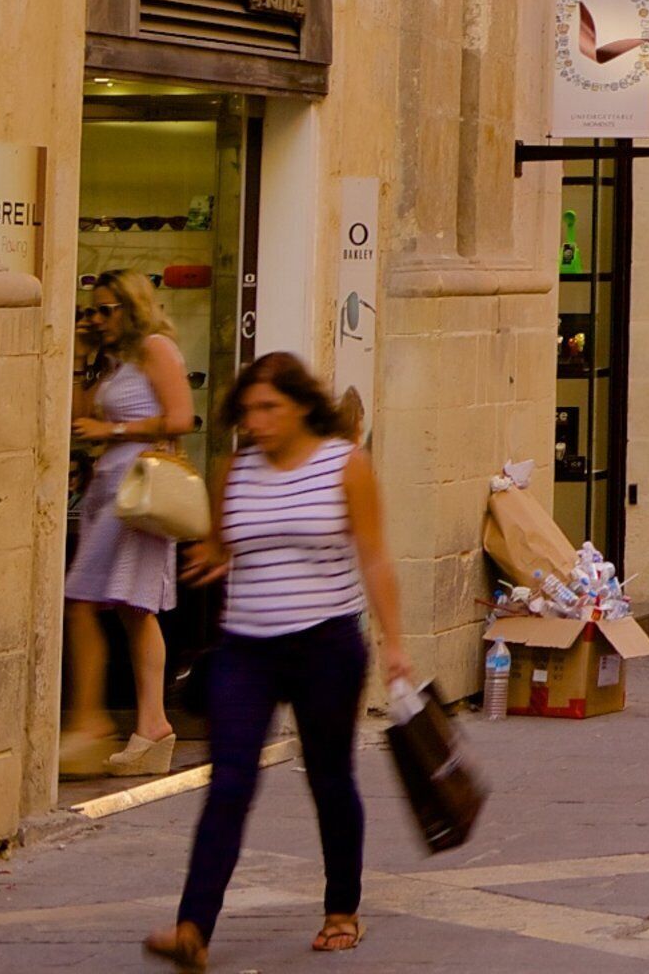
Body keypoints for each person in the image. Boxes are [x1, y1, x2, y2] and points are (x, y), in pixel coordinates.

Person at [146, 354, 408, 969]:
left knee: (329, 778)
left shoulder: (346, 466)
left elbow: (374, 558)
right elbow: (223, 545)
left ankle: (342, 909)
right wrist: (211, 555)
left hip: (327, 646)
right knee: (229, 784)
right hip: (247, 649)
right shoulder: (232, 470)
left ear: (300, 407)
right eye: (249, 410)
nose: (257, 421)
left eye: (270, 408)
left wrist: (396, 645)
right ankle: (193, 929)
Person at [64, 271, 193, 779]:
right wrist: (80, 358)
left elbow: (181, 417)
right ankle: (152, 726)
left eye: (105, 309)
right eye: (90, 310)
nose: (95, 318)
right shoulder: (115, 360)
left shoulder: (157, 349)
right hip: (112, 489)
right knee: (131, 610)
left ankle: (93, 720)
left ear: (131, 306)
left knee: (89, 603)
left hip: (139, 489)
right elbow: (79, 420)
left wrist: (113, 428)